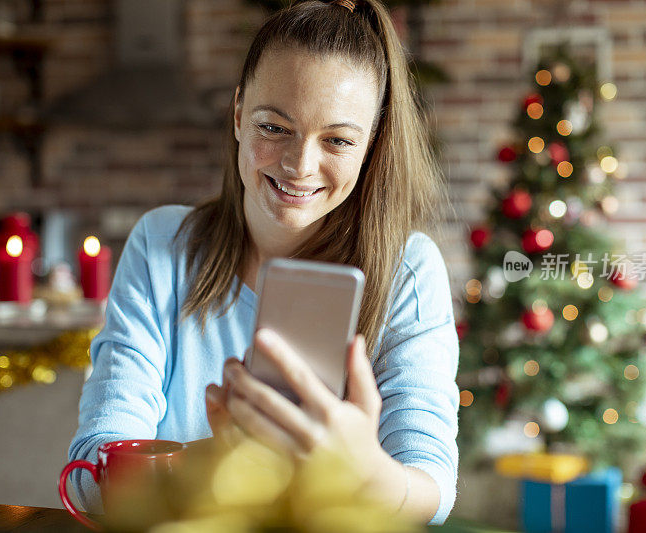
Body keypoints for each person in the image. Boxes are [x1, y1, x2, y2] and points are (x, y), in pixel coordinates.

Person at [68, 0, 459, 525]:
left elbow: (431, 489)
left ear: (371, 144)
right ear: (237, 114)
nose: (300, 165)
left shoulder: (408, 271)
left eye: (338, 140)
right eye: (274, 128)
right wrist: (227, 461)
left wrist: (367, 474)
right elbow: (95, 467)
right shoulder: (162, 244)